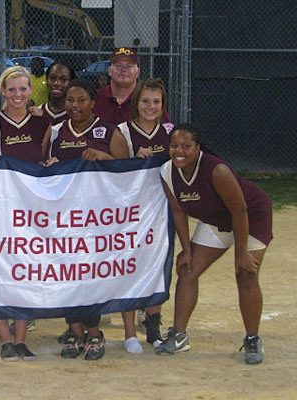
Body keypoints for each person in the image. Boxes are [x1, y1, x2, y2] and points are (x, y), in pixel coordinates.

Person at [156, 124, 272, 365]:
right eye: (174, 146)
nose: (179, 151)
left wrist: (241, 253)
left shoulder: (216, 170)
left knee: (246, 274)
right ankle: (179, 335)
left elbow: (239, 210)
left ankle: (252, 338)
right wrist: (186, 250)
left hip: (251, 216)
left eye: (186, 146)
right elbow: (178, 211)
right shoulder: (167, 171)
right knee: (187, 270)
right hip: (216, 222)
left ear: (197, 148)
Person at [46, 78, 129, 360]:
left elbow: (128, 175)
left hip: (98, 219)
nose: (75, 105)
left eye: (81, 100)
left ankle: (95, 334)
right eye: (70, 100)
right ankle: (75, 332)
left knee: (89, 275)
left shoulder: (109, 131)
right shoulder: (57, 131)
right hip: (66, 217)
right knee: (68, 275)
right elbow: (46, 171)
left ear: (93, 102)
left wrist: (105, 157)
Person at [0, 65, 51, 361]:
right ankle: (5, 338)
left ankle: (21, 339)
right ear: (2, 92)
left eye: (23, 89)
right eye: (11, 89)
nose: (17, 95)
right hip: (0, 211)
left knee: (26, 272)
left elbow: (45, 160)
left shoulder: (42, 124)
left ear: (31, 91)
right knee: (0, 272)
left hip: (30, 213)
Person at [116, 77, 175, 351]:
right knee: (129, 265)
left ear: (163, 105)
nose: (151, 107)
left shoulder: (172, 132)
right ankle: (129, 332)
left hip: (163, 212)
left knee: (159, 266)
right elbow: (113, 178)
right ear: (135, 103)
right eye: (145, 101)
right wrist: (131, 160)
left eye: (156, 102)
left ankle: (153, 324)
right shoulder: (123, 132)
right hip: (130, 214)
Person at [94, 47, 169, 126]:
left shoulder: (148, 99)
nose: (123, 69)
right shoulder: (96, 97)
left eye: (129, 66)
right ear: (110, 70)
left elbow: (166, 130)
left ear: (137, 72)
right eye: (118, 65)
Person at [32, 60, 75, 126]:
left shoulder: (75, 114)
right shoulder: (38, 112)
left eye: (63, 80)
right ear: (47, 80)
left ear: (71, 82)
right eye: (52, 78)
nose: (57, 83)